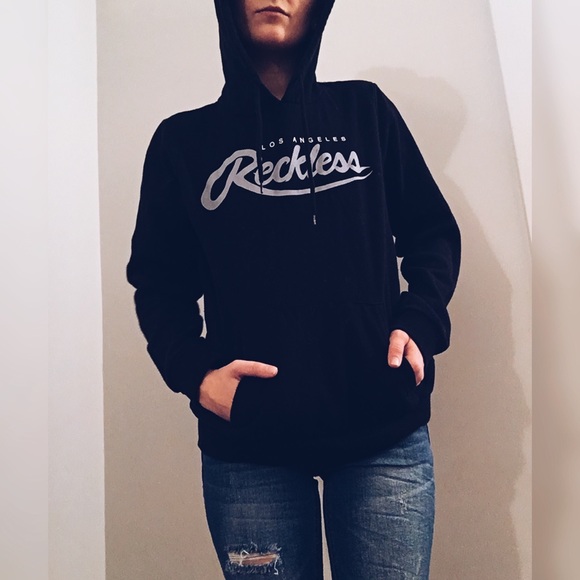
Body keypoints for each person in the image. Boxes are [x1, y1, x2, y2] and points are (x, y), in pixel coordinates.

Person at [126, 0, 461, 577]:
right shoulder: (183, 142)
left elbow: (432, 233)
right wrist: (196, 375)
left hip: (382, 429)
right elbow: (158, 283)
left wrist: (420, 320)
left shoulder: (366, 112)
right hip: (250, 448)